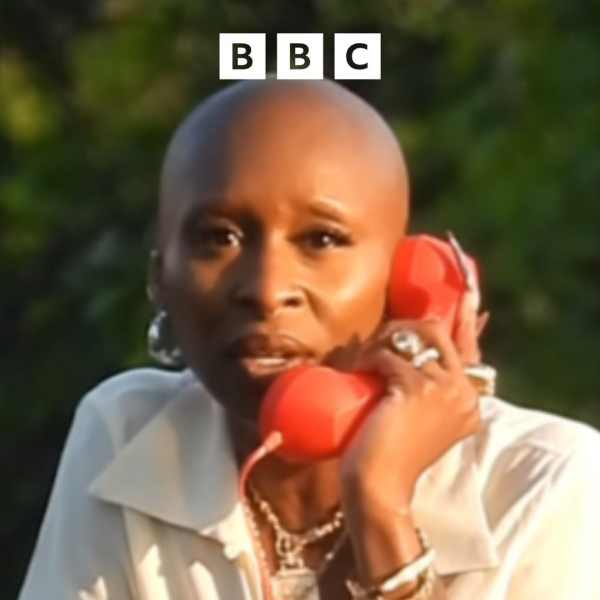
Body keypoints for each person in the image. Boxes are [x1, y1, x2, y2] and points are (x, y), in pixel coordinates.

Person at [18, 79, 600, 600]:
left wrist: (380, 507)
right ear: (159, 277)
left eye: (321, 240)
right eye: (218, 237)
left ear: (402, 278)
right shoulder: (126, 436)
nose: (267, 290)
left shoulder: (544, 483)